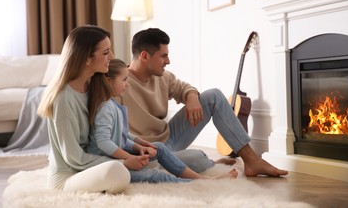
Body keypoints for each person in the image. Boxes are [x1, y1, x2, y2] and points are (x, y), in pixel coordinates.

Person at [121, 27, 288, 177]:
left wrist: (192, 97)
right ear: (144, 56)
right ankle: (210, 164)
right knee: (197, 158)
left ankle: (252, 160)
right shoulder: (119, 83)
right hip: (148, 150)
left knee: (213, 96)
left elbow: (185, 88)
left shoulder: (164, 77)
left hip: (169, 137)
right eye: (163, 56)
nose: (168, 61)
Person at [87, 59, 238, 183]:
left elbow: (121, 137)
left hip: (124, 156)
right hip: (111, 164)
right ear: (108, 81)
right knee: (153, 175)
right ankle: (195, 182)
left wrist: (141, 145)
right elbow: (104, 142)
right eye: (124, 80)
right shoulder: (105, 108)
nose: (127, 84)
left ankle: (201, 178)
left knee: (158, 147)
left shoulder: (113, 104)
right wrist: (130, 157)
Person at [37, 25, 136, 193]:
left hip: (91, 166)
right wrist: (123, 162)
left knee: (161, 158)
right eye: (105, 53)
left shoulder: (94, 84)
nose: (111, 57)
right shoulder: (63, 98)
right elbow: (73, 157)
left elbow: (107, 127)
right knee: (118, 172)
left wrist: (136, 146)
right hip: (68, 177)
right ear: (87, 58)